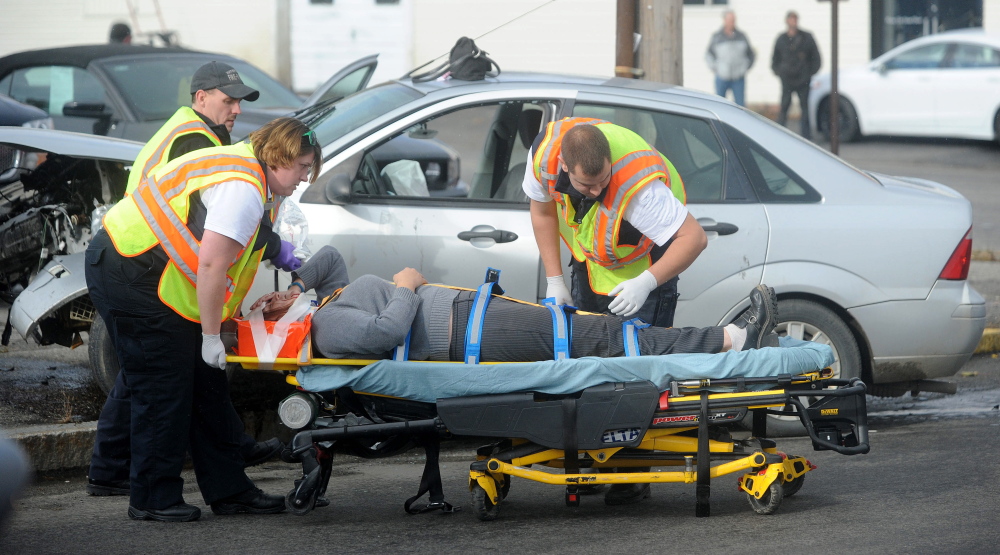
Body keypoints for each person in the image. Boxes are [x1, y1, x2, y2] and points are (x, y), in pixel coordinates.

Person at [84, 117, 322, 522]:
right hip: (131, 271)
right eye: (302, 167)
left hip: (143, 271)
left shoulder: (250, 174)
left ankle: (230, 491)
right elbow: (212, 265)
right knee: (165, 387)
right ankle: (152, 498)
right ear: (278, 157)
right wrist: (211, 335)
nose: (305, 177)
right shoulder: (243, 189)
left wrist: (220, 326)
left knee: (205, 384)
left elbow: (220, 269)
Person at [251, 246, 779, 364]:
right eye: (263, 306)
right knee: (595, 338)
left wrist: (293, 286)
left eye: (268, 294)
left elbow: (329, 258)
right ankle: (727, 341)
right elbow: (385, 334)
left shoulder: (321, 302)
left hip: (473, 314)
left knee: (589, 330)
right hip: (467, 331)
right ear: (274, 326)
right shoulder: (325, 329)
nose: (270, 297)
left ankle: (720, 340)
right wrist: (408, 286)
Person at [521, 117, 706, 330]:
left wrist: (646, 283)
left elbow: (695, 238)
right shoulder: (543, 158)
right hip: (590, 268)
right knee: (587, 355)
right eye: (587, 185)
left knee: (637, 358)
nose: (597, 191)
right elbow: (543, 213)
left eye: (603, 179)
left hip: (644, 272)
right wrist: (554, 280)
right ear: (564, 164)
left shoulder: (640, 190)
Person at [771, 11, 822, 139]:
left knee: (804, 109)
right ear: (787, 21)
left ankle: (806, 137)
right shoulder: (781, 39)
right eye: (791, 20)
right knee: (784, 107)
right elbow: (775, 59)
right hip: (787, 79)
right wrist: (779, 72)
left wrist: (809, 73)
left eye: (795, 20)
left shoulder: (806, 38)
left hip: (802, 79)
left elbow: (816, 58)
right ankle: (779, 134)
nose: (793, 22)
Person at [705, 10, 755, 106]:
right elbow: (709, 55)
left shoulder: (742, 36)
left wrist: (744, 68)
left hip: (738, 78)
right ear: (724, 20)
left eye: (733, 20)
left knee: (740, 106)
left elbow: (751, 54)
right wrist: (716, 68)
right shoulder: (717, 37)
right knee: (720, 105)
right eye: (730, 20)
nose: (732, 23)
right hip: (722, 77)